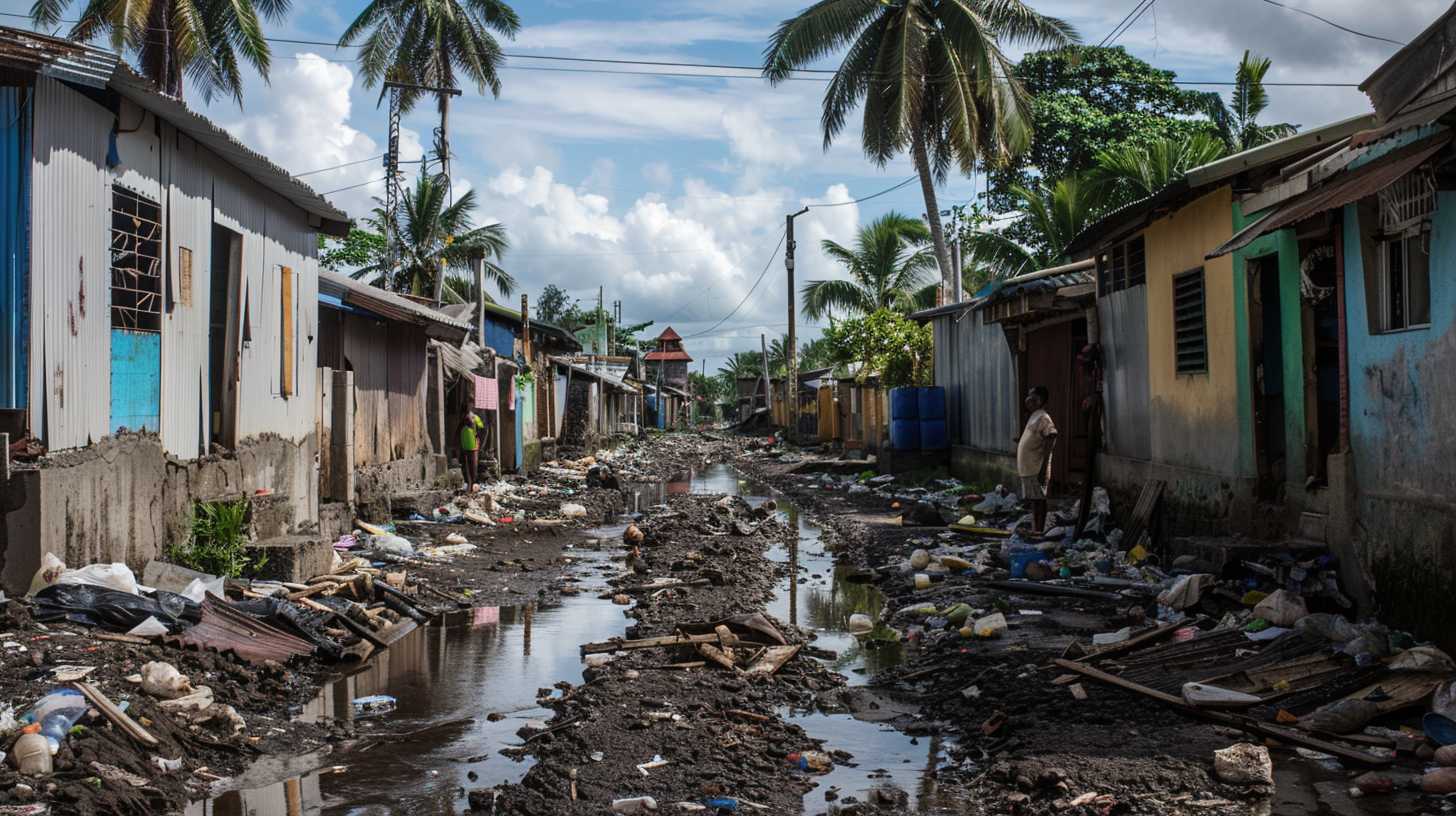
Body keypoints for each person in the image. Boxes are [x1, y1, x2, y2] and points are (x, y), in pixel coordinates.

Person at [1016, 385, 1058, 535]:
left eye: (1031, 397)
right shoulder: (1034, 416)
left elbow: (1051, 436)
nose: (1027, 400)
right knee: (1034, 501)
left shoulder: (1043, 417)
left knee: (1039, 501)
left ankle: (1039, 531)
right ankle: (1036, 529)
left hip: (1036, 468)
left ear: (1039, 400)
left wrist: (1044, 466)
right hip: (1029, 468)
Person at [459, 409, 486, 490]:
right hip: (470, 447)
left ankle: (471, 483)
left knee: (471, 466)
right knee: (470, 466)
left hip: (471, 447)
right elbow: (481, 427)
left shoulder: (472, 419)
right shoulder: (466, 423)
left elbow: (481, 427)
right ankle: (471, 483)